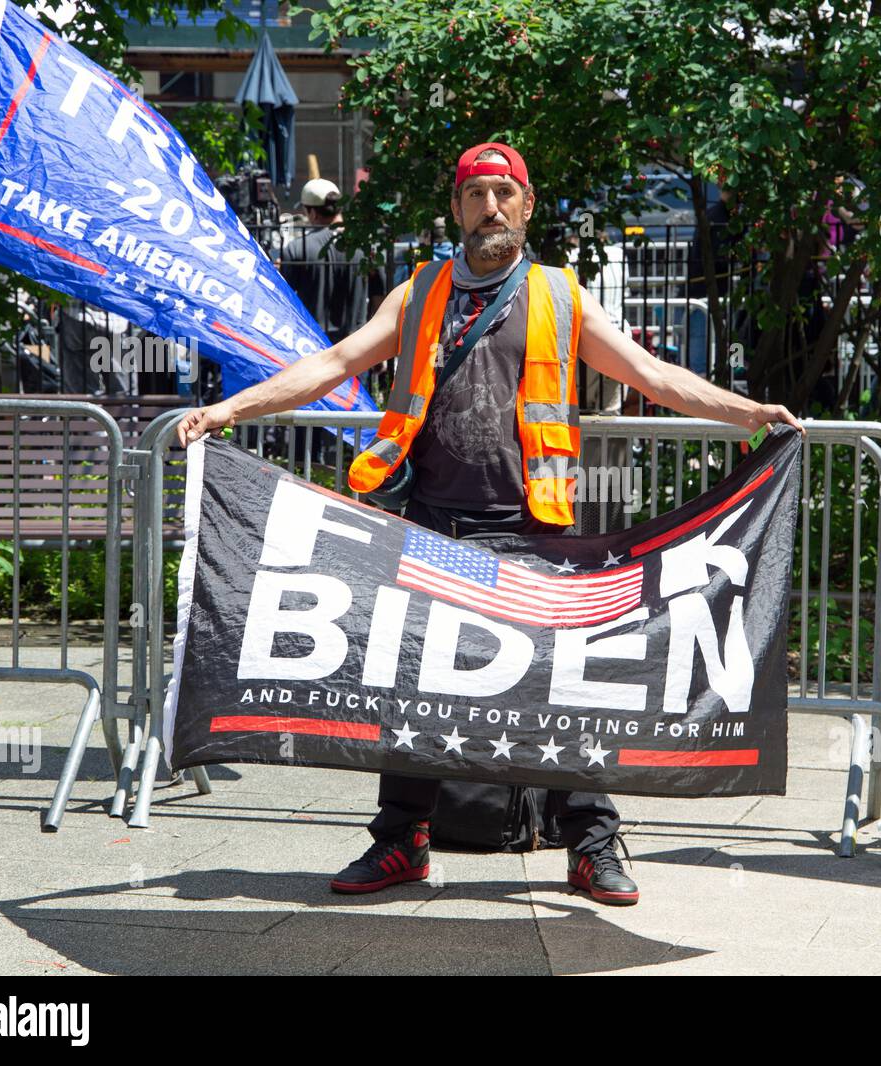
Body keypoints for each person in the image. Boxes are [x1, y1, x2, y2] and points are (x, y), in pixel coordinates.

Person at [177, 142, 804, 907]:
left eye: (505, 193)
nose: (491, 207)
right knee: (409, 685)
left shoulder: (560, 294)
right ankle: (402, 841)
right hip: (430, 526)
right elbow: (335, 361)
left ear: (528, 205)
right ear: (457, 208)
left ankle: (594, 843)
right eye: (477, 195)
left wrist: (749, 414)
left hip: (532, 529)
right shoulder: (419, 293)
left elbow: (651, 375)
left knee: (563, 688)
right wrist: (227, 410)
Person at [280, 178, 385, 345]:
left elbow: (283, 301)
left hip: (311, 343)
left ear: (312, 213)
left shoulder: (297, 249)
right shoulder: (366, 247)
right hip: (357, 344)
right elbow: (379, 296)